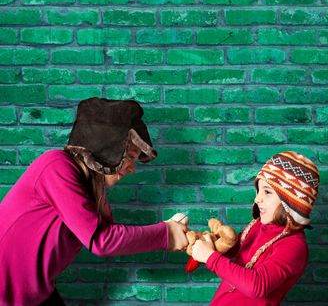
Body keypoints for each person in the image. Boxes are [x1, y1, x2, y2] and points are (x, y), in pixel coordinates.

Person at [0, 98, 189, 306]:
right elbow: (102, 240)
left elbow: (110, 233)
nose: (132, 169)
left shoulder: (90, 189)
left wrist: (169, 231)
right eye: (130, 157)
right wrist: (166, 234)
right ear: (108, 148)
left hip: (35, 293)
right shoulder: (56, 166)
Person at [192, 151, 320, 306]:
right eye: (258, 190)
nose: (257, 198)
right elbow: (237, 250)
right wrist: (215, 244)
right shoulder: (259, 225)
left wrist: (210, 257)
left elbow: (256, 286)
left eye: (267, 192)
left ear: (291, 202)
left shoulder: (293, 245)